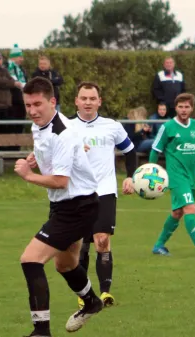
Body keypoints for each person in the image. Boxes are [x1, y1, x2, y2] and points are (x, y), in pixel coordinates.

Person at [9, 77, 102, 337]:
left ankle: (42, 333)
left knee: (30, 260)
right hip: (66, 205)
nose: (33, 110)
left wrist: (28, 175)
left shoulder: (63, 132)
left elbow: (61, 180)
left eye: (38, 104)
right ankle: (92, 302)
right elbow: (52, 151)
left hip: (77, 207)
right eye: (28, 105)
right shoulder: (43, 126)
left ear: (53, 102)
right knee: (65, 264)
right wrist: (36, 157)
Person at [69, 81, 138, 309]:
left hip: (105, 190)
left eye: (92, 98)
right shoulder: (66, 128)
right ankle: (84, 294)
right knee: (81, 246)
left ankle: (105, 292)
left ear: (100, 101)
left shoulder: (112, 126)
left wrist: (130, 176)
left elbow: (130, 151)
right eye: (84, 98)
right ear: (76, 101)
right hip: (77, 193)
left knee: (102, 241)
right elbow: (54, 158)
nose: (88, 102)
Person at [149, 93, 195, 256]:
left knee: (177, 213)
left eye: (187, 107)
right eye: (180, 107)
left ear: (192, 108)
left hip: (191, 176)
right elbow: (155, 150)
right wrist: (151, 171)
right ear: (176, 107)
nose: (184, 110)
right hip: (175, 176)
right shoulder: (168, 127)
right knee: (190, 207)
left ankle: (158, 246)